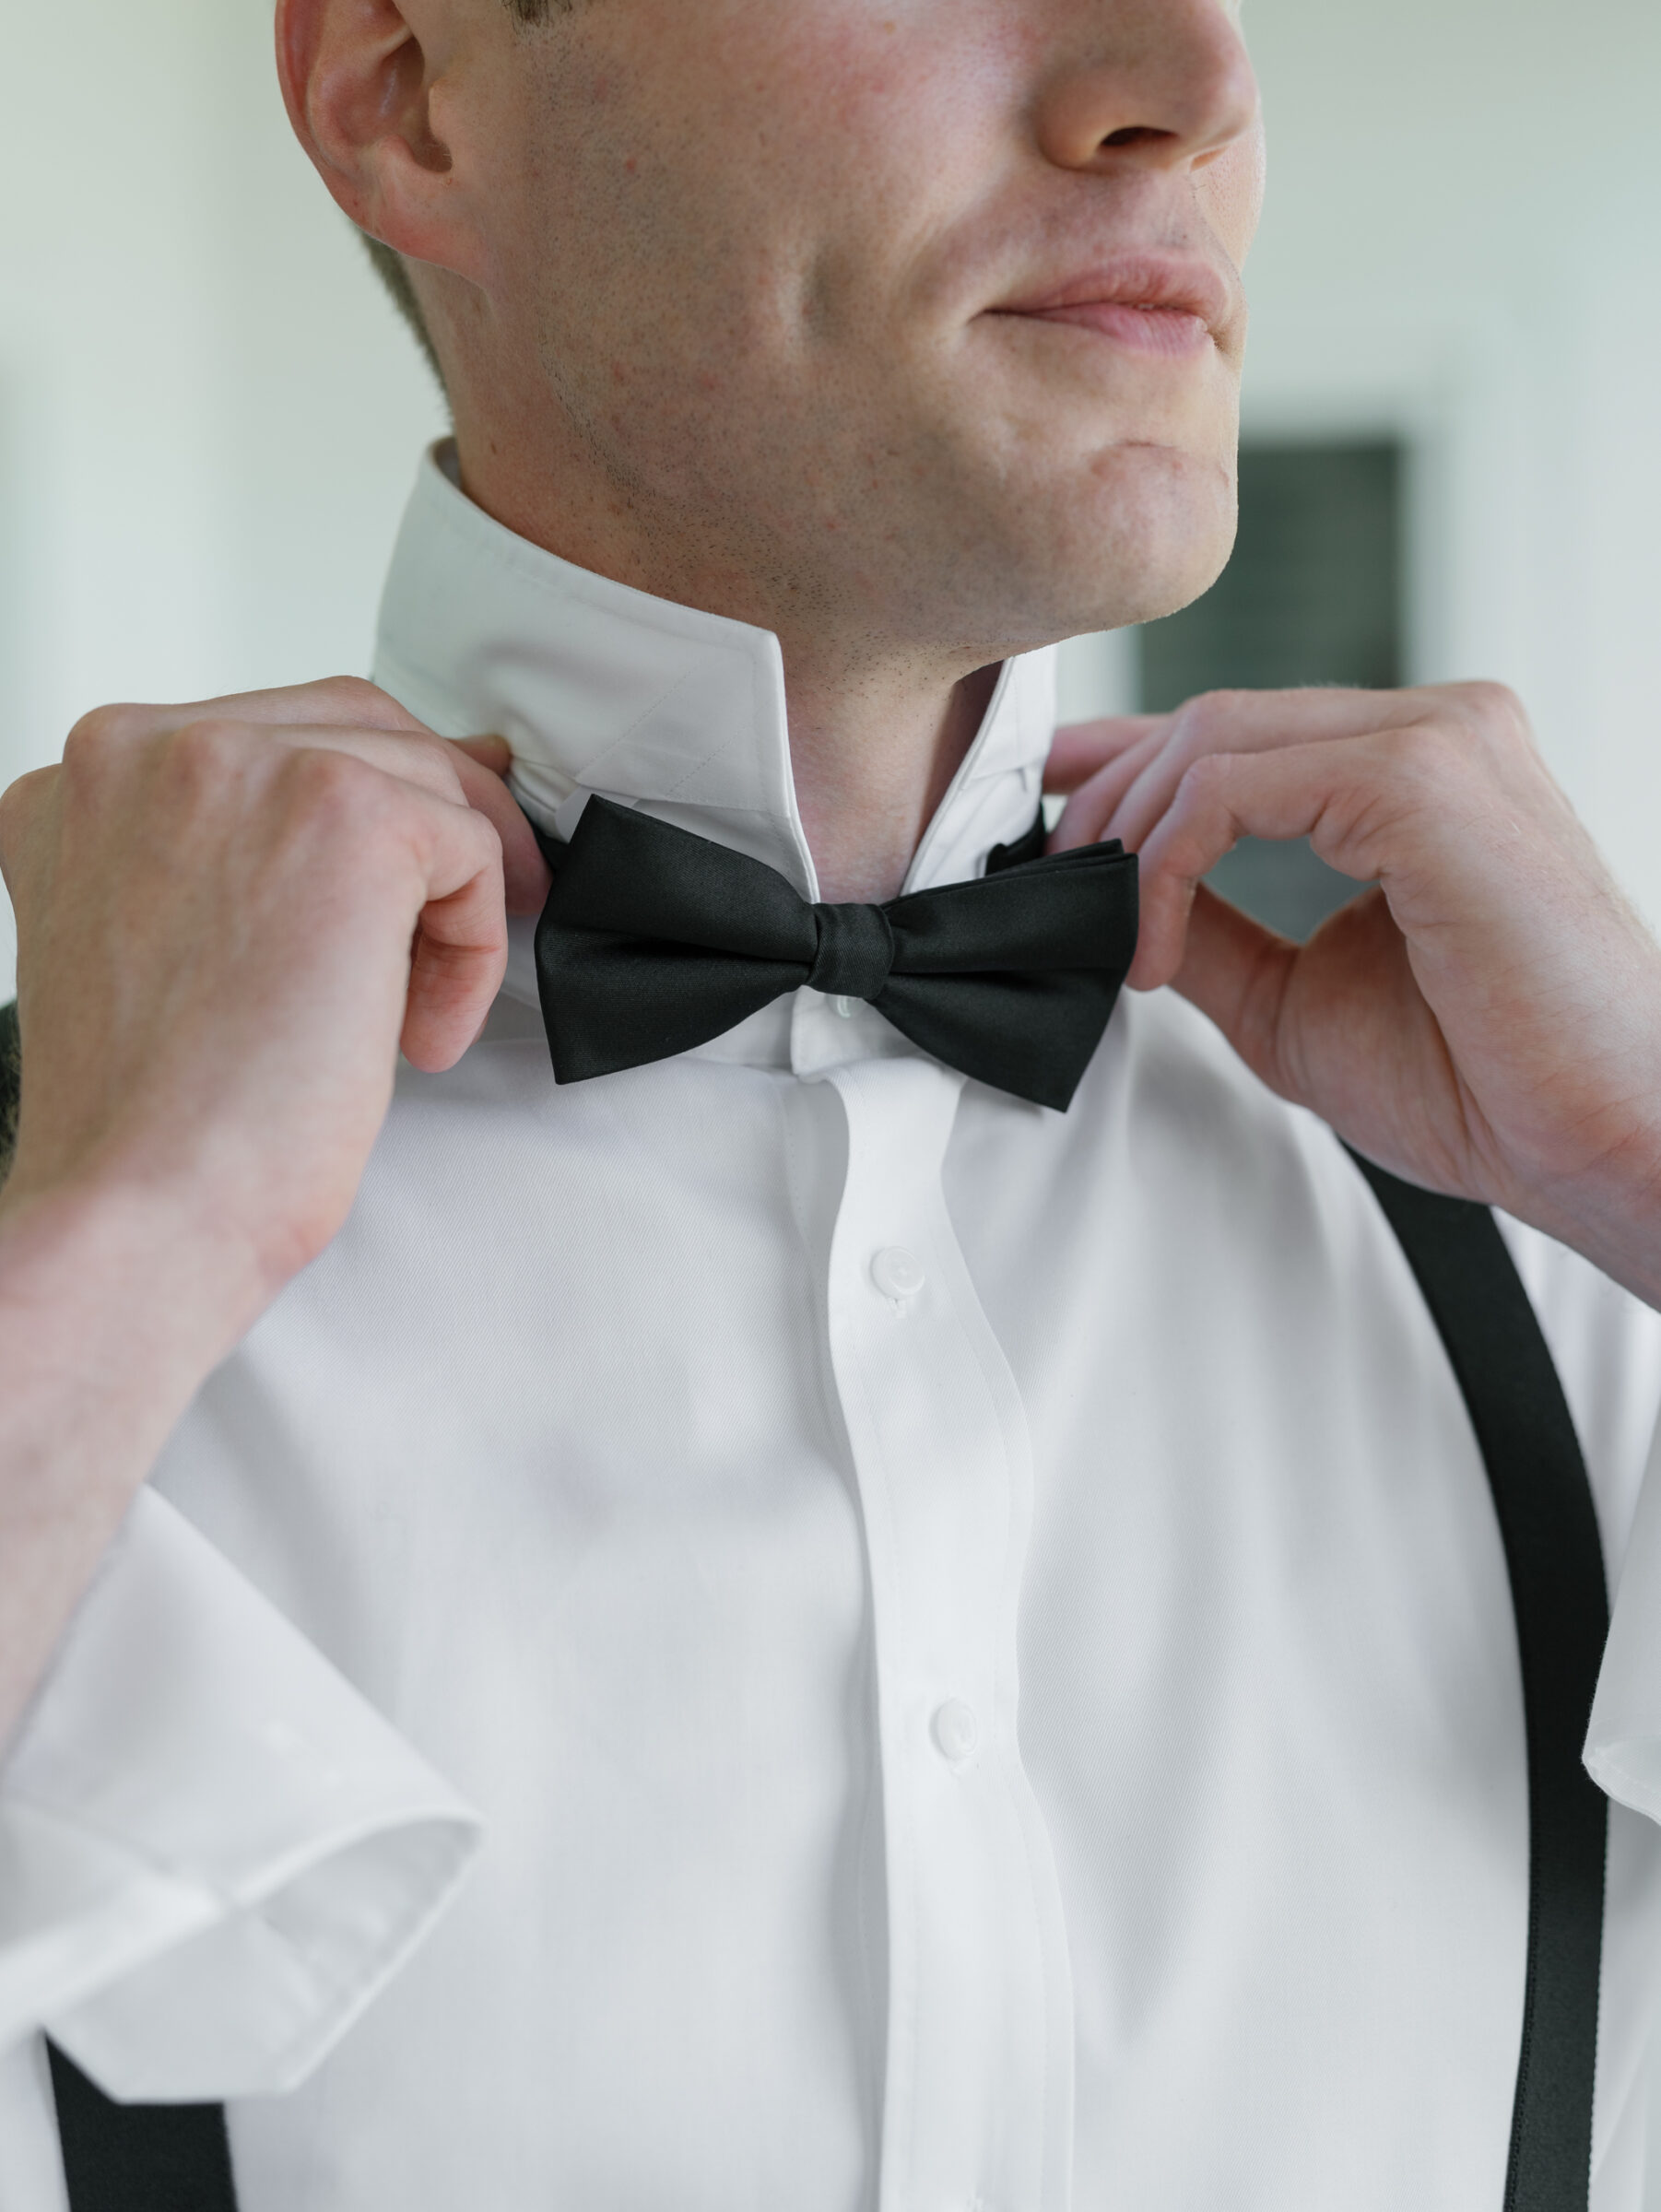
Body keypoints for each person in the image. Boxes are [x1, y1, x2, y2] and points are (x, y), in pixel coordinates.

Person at [4, 0, 1661, 2205]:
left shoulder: (1575, 1245)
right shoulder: (66, 1255)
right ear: (403, 91)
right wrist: (126, 1256)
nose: (1189, 78)